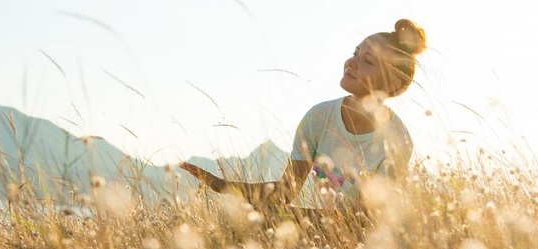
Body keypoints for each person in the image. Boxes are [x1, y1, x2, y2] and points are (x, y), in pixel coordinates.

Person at [180, 19, 426, 214]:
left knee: (272, 218)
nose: (351, 62)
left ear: (392, 84)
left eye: (367, 60)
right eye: (355, 52)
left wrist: (295, 218)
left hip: (367, 244)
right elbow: (285, 193)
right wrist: (222, 185)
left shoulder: (397, 140)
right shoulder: (319, 118)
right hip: (323, 230)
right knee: (261, 218)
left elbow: (370, 219)